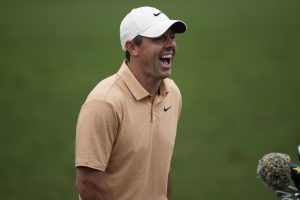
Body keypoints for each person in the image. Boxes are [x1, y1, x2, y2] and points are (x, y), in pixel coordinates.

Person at [75, 6, 187, 200]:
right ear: (132, 47)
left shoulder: (172, 94)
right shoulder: (104, 102)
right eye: (159, 38)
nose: (170, 44)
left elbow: (161, 166)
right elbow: (88, 182)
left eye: (172, 37)